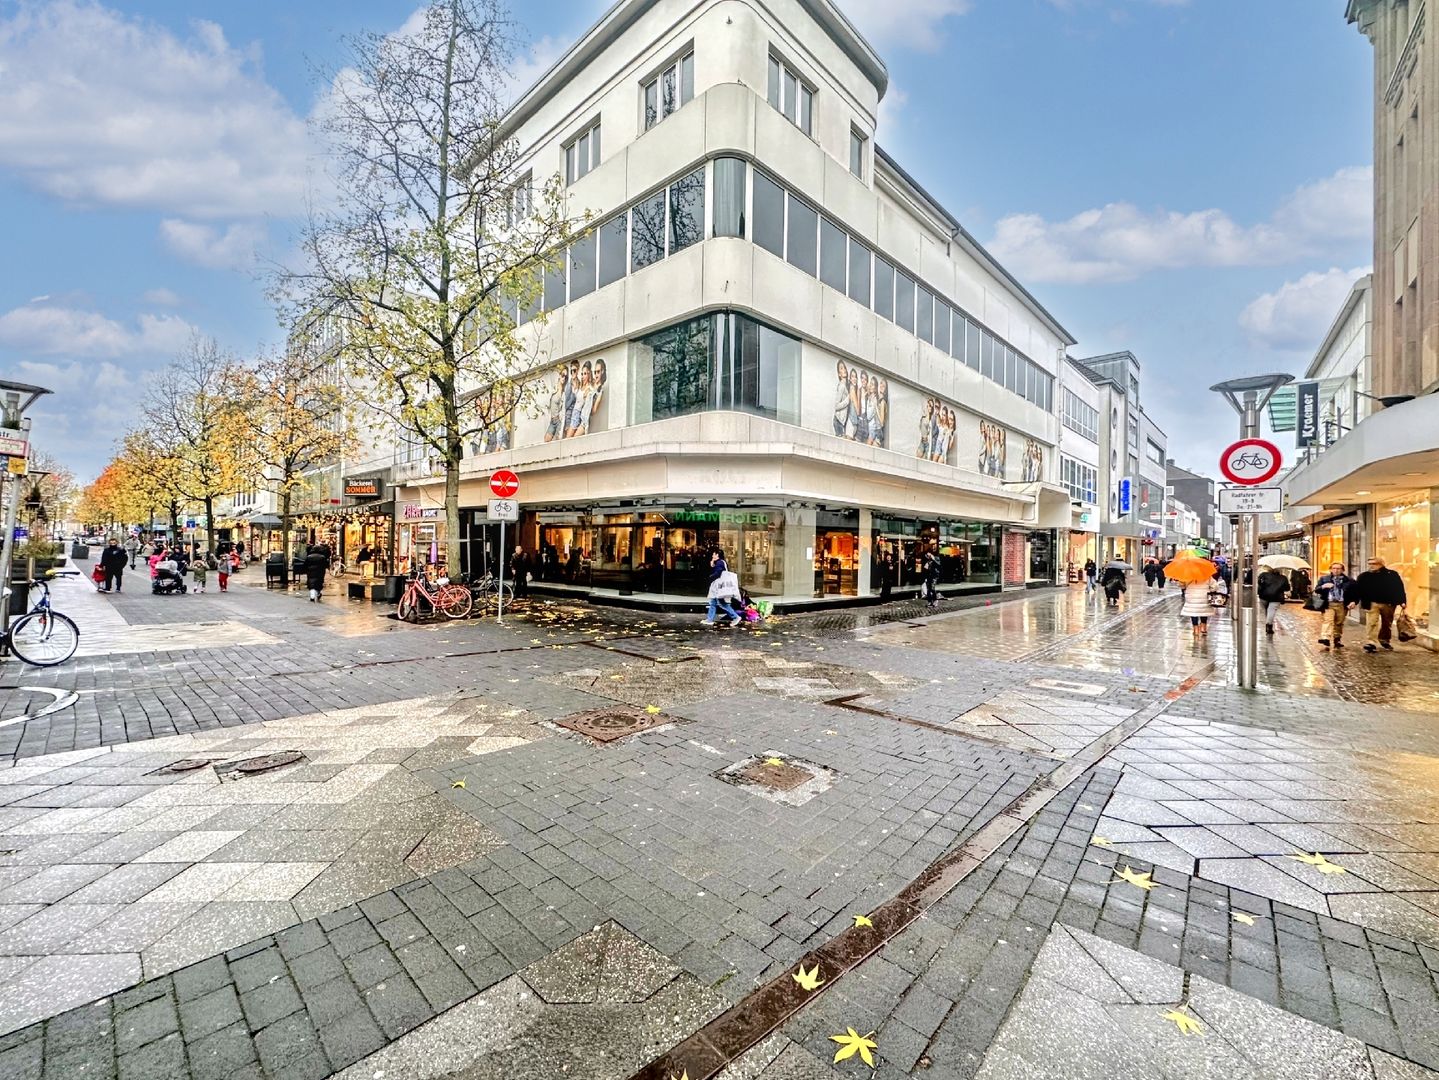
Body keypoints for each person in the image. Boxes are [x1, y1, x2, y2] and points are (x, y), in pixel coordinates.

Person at [1352, 556, 1407, 653]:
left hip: (1388, 603)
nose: (1371, 566)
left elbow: (1399, 588)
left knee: (1387, 623)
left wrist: (1402, 601)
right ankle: (1371, 642)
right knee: (1372, 623)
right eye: (1370, 564)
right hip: (1371, 603)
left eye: (1374, 564)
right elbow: (1358, 590)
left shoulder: (1392, 574)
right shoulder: (1364, 576)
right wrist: (1354, 601)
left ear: (1381, 564)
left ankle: (1384, 640)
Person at [1314, 562, 1353, 649]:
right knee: (1328, 620)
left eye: (1338, 568)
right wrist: (1323, 586)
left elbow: (1354, 593)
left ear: (1342, 570)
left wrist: (1353, 601)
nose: (1336, 570)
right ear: (1331, 569)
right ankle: (1325, 638)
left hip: (1342, 604)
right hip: (1329, 604)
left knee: (1339, 622)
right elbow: (1316, 590)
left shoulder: (1349, 581)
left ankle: (1337, 638)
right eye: (1334, 568)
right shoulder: (1324, 579)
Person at [703, 549, 742, 626]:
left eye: (714, 554)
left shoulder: (720, 562)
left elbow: (718, 573)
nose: (712, 556)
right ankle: (710, 619)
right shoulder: (720, 562)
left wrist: (710, 577)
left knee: (719, 603)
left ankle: (736, 617)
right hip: (718, 586)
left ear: (717, 555)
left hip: (718, 586)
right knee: (714, 602)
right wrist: (712, 564)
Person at [1180, 572, 1225, 637]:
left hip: (1191, 596)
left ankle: (1195, 629)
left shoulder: (1187, 575)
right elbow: (1214, 586)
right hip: (1204, 595)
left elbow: (1182, 586)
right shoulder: (1207, 575)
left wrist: (1181, 581)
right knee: (1204, 611)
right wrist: (1211, 590)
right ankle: (1203, 628)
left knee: (1193, 612)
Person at [1256, 566, 1290, 635]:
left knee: (1267, 611)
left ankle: (1269, 624)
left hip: (1264, 596)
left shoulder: (1263, 575)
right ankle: (1269, 625)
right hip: (1276, 597)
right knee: (1271, 611)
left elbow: (1259, 583)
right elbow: (1287, 588)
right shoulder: (1283, 578)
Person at [922, 545, 941, 611]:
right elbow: (925, 569)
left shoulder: (936, 558)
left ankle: (935, 600)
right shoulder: (927, 560)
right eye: (927, 554)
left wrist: (934, 559)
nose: (928, 555)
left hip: (934, 576)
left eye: (929, 554)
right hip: (928, 576)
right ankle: (930, 601)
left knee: (932, 588)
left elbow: (939, 565)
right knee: (928, 589)